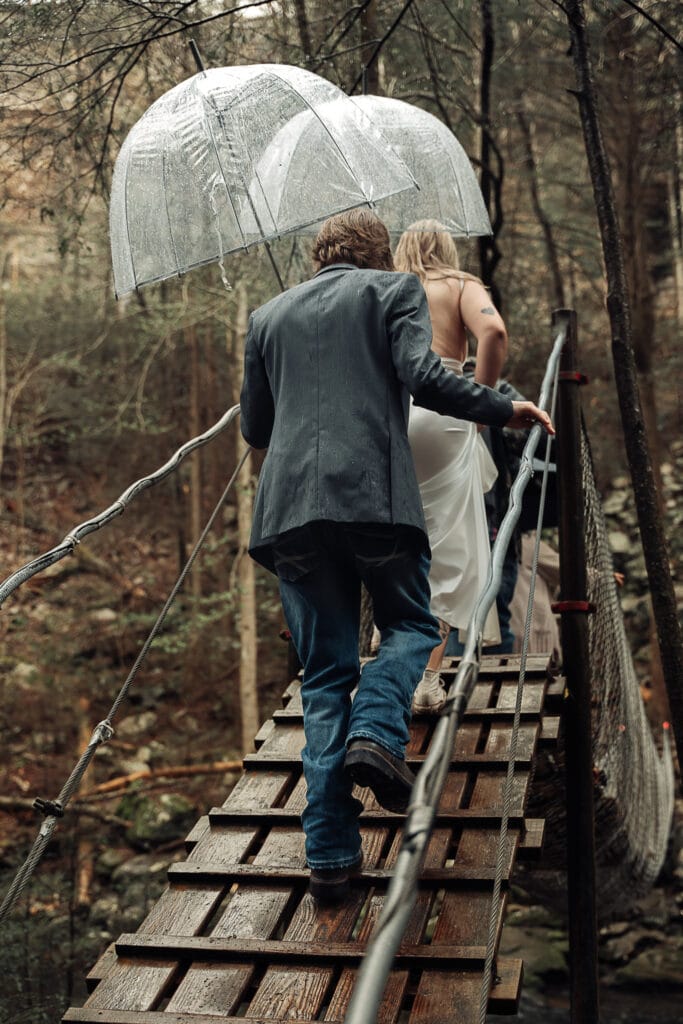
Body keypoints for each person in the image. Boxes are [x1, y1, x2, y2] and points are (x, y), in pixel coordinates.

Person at [240, 209, 553, 904]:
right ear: (382, 259)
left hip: (289, 516)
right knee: (413, 625)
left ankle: (329, 860)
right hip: (372, 501)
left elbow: (255, 426)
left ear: (316, 257)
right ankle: (379, 729)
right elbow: (425, 378)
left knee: (324, 679)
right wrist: (503, 409)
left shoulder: (266, 317)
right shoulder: (393, 292)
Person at [394, 220, 509, 711]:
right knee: (445, 550)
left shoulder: (391, 289)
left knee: (400, 543)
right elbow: (494, 332)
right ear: (445, 248)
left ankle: (390, 664)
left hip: (392, 418)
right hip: (444, 415)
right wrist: (480, 405)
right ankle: (425, 676)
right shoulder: (461, 285)